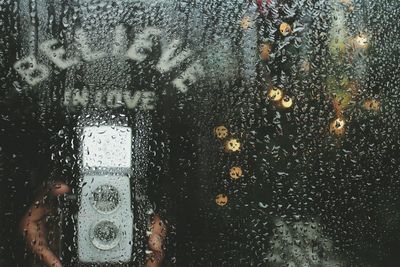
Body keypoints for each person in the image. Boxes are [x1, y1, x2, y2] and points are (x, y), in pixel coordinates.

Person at [1, 0, 400, 266]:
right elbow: (16, 151)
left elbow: (207, 169)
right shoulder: (27, 24)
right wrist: (37, 208)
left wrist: (166, 224)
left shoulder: (205, 31)